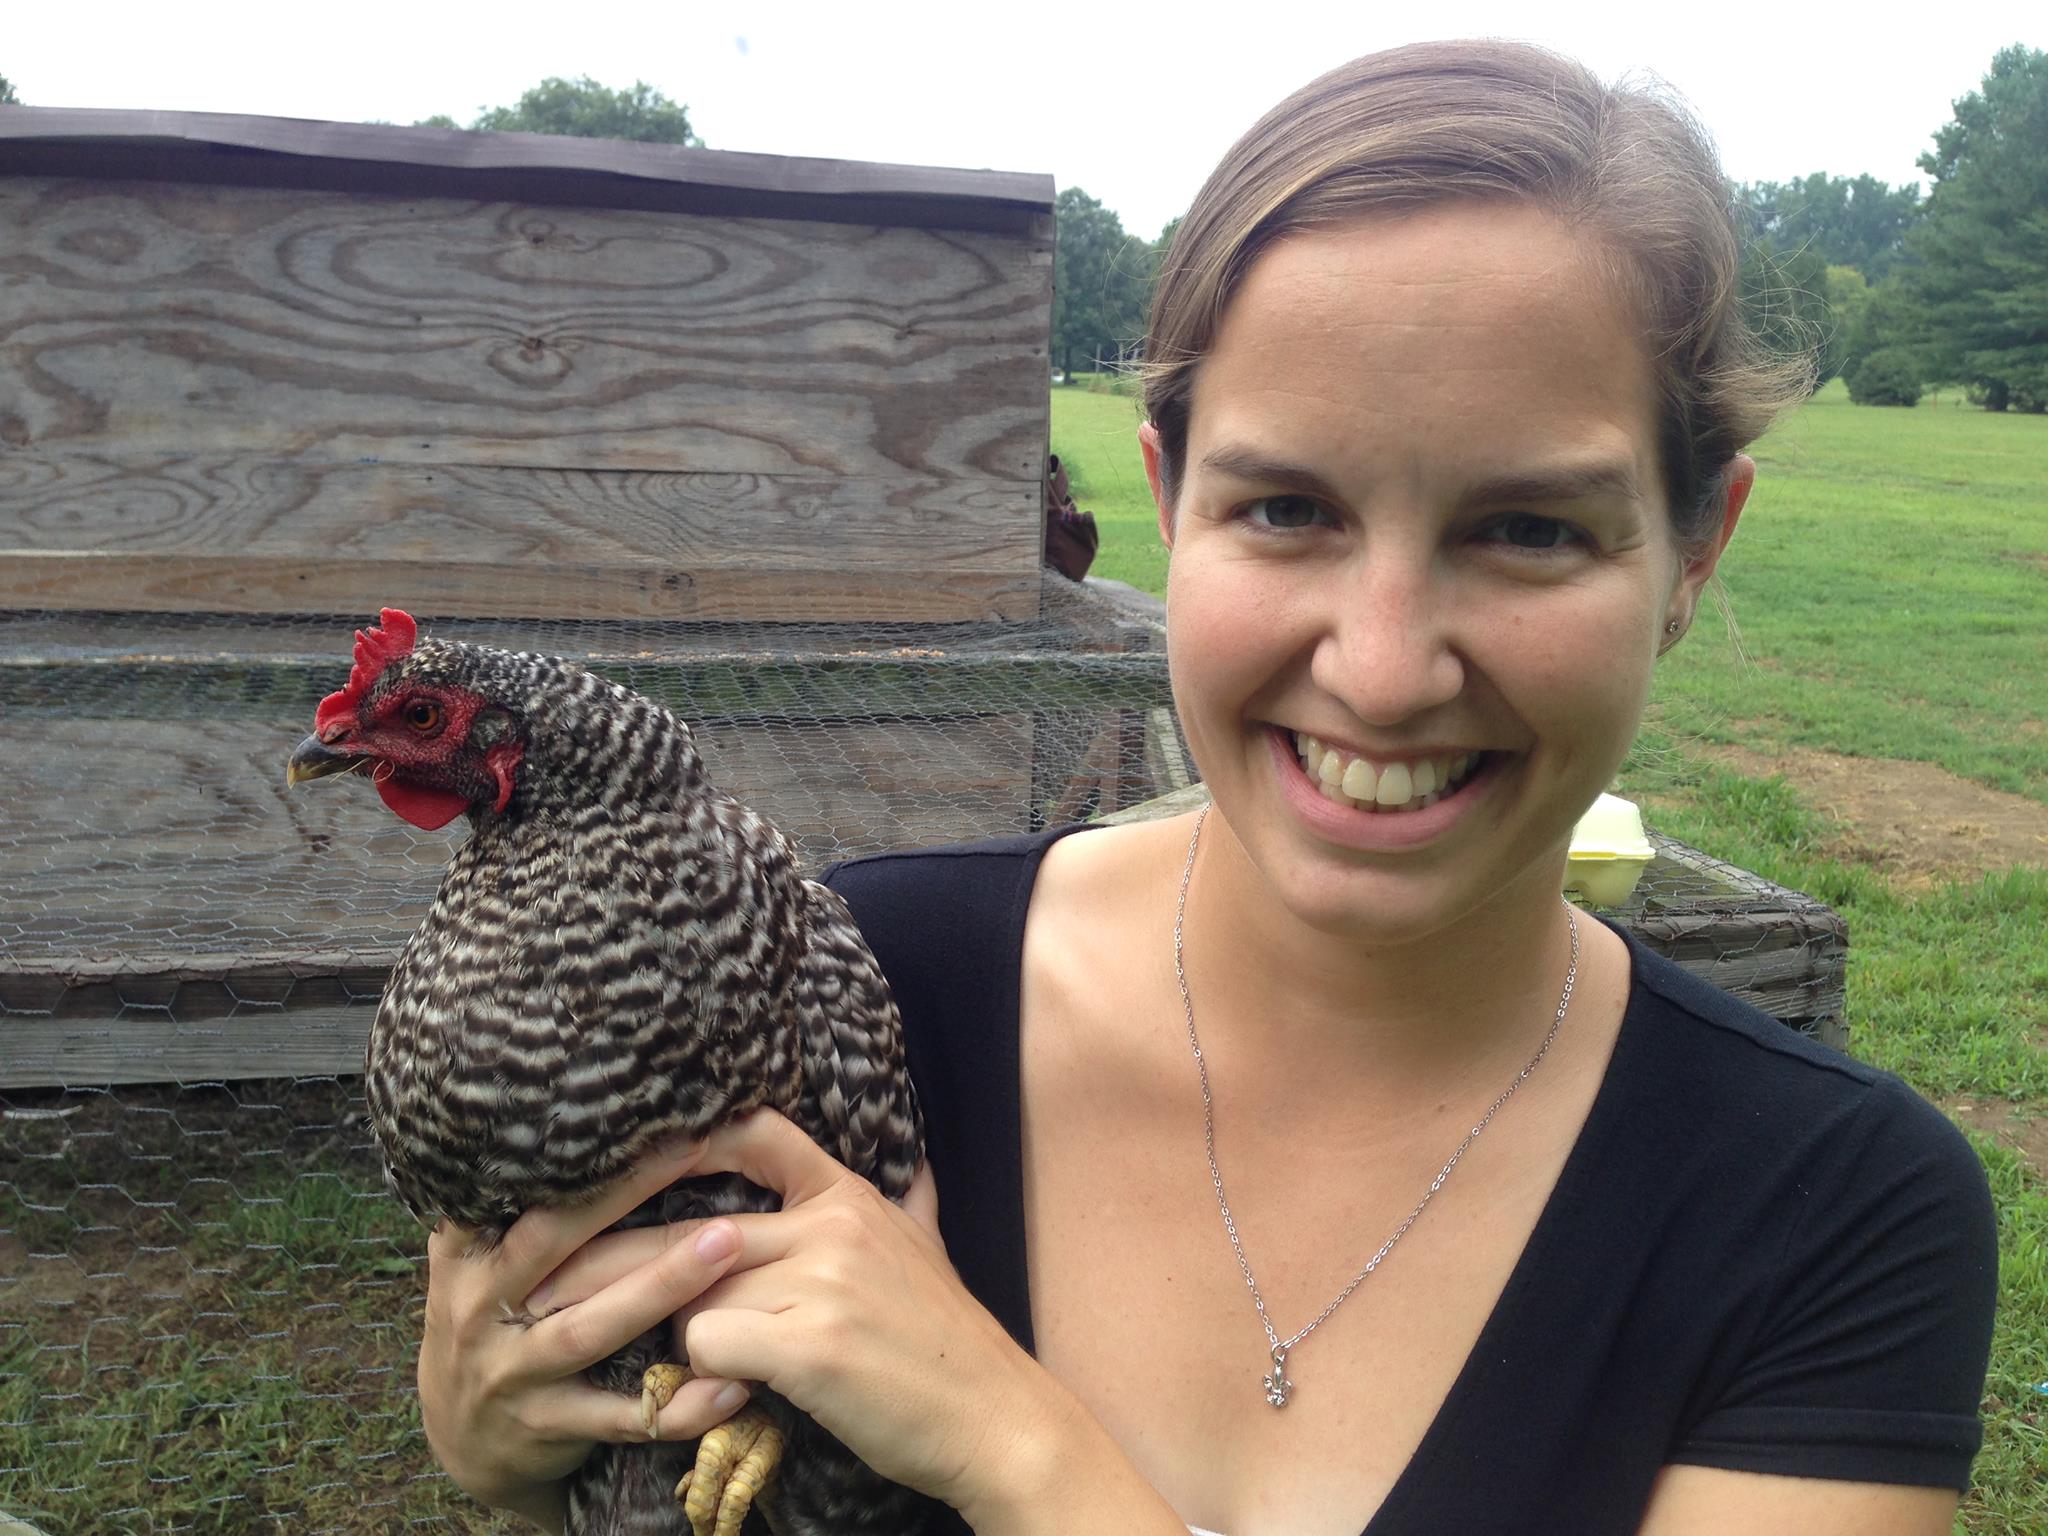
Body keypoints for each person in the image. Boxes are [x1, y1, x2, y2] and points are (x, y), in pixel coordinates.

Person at [412, 40, 1997, 1536]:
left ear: (1694, 551)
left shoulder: (1835, 1221)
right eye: (1289, 507)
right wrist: (517, 1456)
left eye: (1530, 530)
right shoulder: (838, 994)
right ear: (1170, 503)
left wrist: (1014, 1445)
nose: (1384, 671)